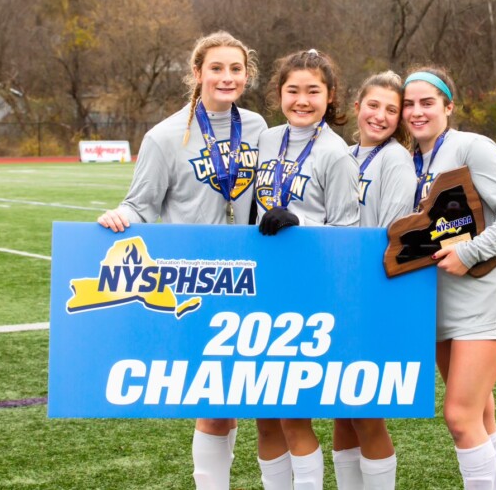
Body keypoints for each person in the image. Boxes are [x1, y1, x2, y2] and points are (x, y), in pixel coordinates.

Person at [96, 30, 267, 490]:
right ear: (197, 73)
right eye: (217, 68)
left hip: (258, 276)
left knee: (248, 399)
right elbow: (140, 205)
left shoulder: (258, 128)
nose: (227, 77)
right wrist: (120, 215)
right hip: (200, 280)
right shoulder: (164, 136)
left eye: (236, 69)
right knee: (214, 402)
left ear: (246, 75)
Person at [402, 66, 496, 490]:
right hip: (435, 303)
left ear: (448, 106)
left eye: (427, 103)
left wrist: (470, 251)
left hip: (481, 301)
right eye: (409, 104)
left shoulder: (471, 146)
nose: (417, 112)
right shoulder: (407, 159)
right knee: (480, 414)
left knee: (460, 417)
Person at [254, 49, 360, 490]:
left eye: (313, 91)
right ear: (279, 94)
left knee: (292, 410)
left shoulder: (335, 153)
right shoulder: (265, 139)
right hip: (262, 284)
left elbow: (348, 231)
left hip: (308, 289)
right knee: (263, 411)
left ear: (330, 95)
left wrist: (302, 224)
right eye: (293, 90)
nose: (302, 100)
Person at [331, 71, 416, 490]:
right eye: (373, 105)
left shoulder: (396, 159)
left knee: (365, 410)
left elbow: (392, 235)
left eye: (391, 110)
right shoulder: (344, 153)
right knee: (341, 410)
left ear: (399, 119)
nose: (379, 116)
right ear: (358, 104)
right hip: (340, 293)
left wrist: (364, 296)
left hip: (370, 295)